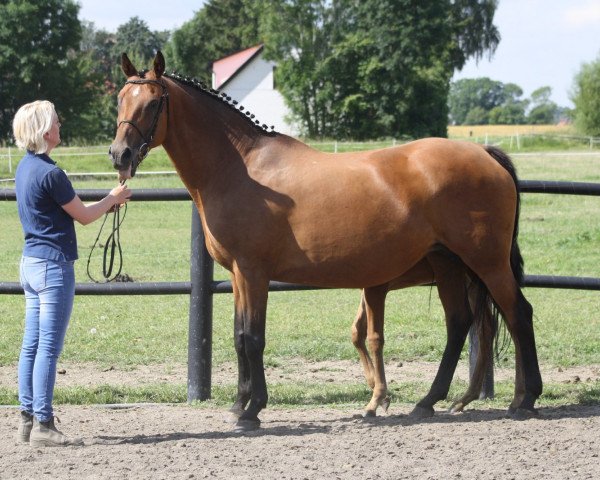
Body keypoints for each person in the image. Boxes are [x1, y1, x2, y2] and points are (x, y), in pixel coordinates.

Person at [12, 100, 132, 447]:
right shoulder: (52, 174)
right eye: (56, 121)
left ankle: (27, 418)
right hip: (53, 266)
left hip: (31, 264)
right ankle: (45, 424)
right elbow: (83, 215)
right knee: (48, 349)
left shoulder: (25, 167)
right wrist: (114, 197)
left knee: (31, 345)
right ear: (45, 131)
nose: (60, 125)